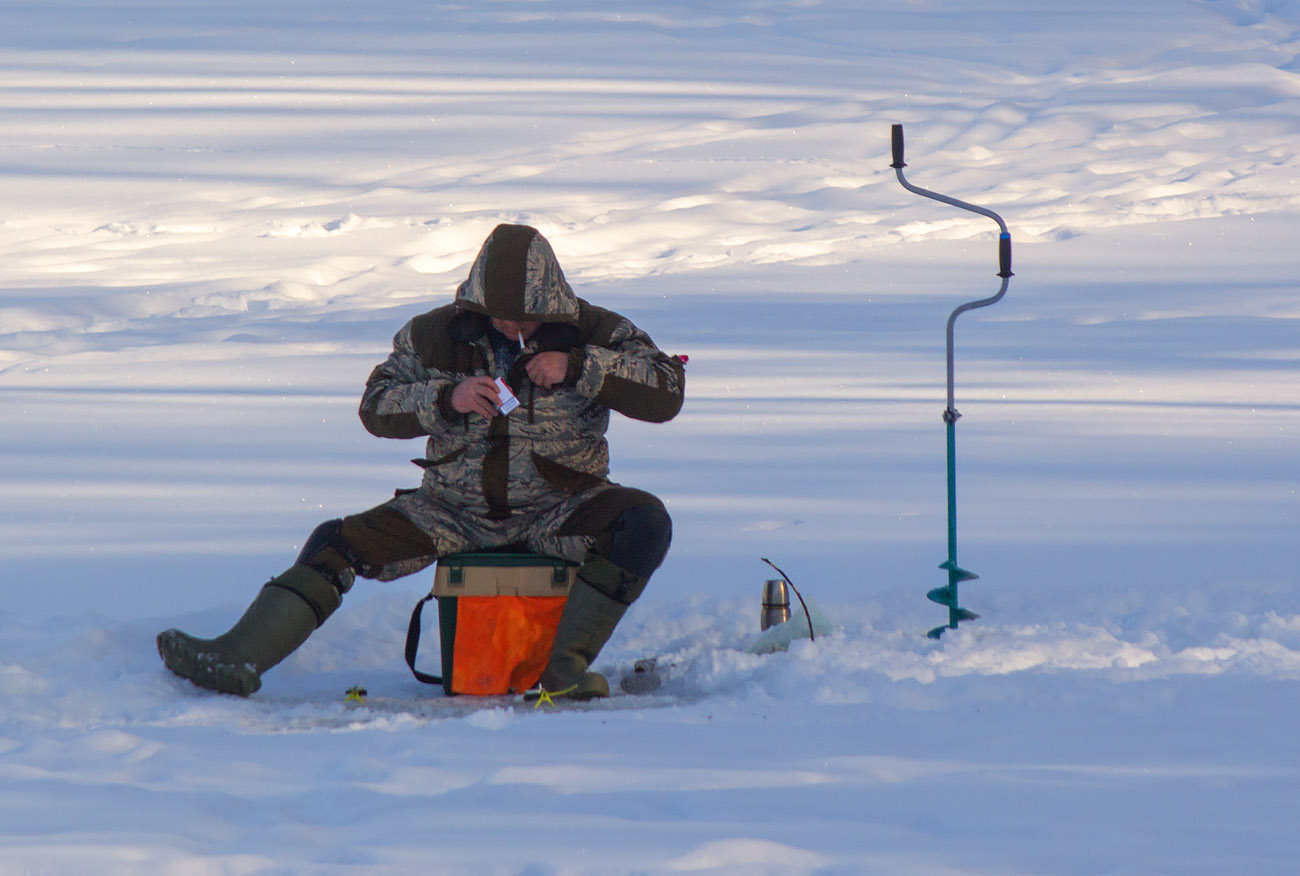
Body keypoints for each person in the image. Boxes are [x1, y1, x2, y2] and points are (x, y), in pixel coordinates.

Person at [157, 223, 685, 700]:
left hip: (563, 508)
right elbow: (375, 405)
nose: (510, 327)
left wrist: (580, 367)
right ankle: (236, 657)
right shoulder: (433, 335)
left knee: (645, 521)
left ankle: (564, 671)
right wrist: (444, 399)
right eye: (498, 316)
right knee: (334, 543)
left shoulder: (597, 330)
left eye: (524, 318)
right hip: (452, 511)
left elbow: (666, 391)